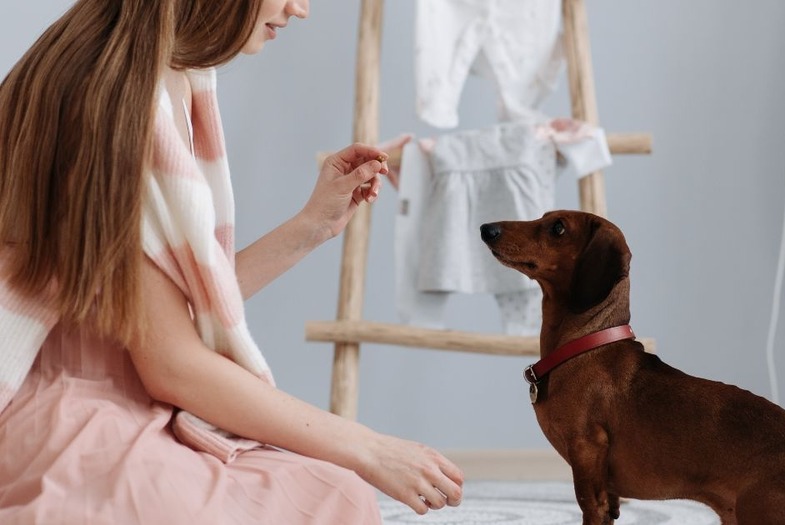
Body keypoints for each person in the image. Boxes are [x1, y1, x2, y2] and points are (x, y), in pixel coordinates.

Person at [0, 0, 463, 523]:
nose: (300, 9)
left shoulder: (150, 71)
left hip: (97, 401)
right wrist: (369, 447)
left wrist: (311, 227)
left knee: (330, 492)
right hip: (75, 422)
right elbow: (170, 364)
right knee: (335, 498)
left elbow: (156, 314)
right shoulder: (118, 96)